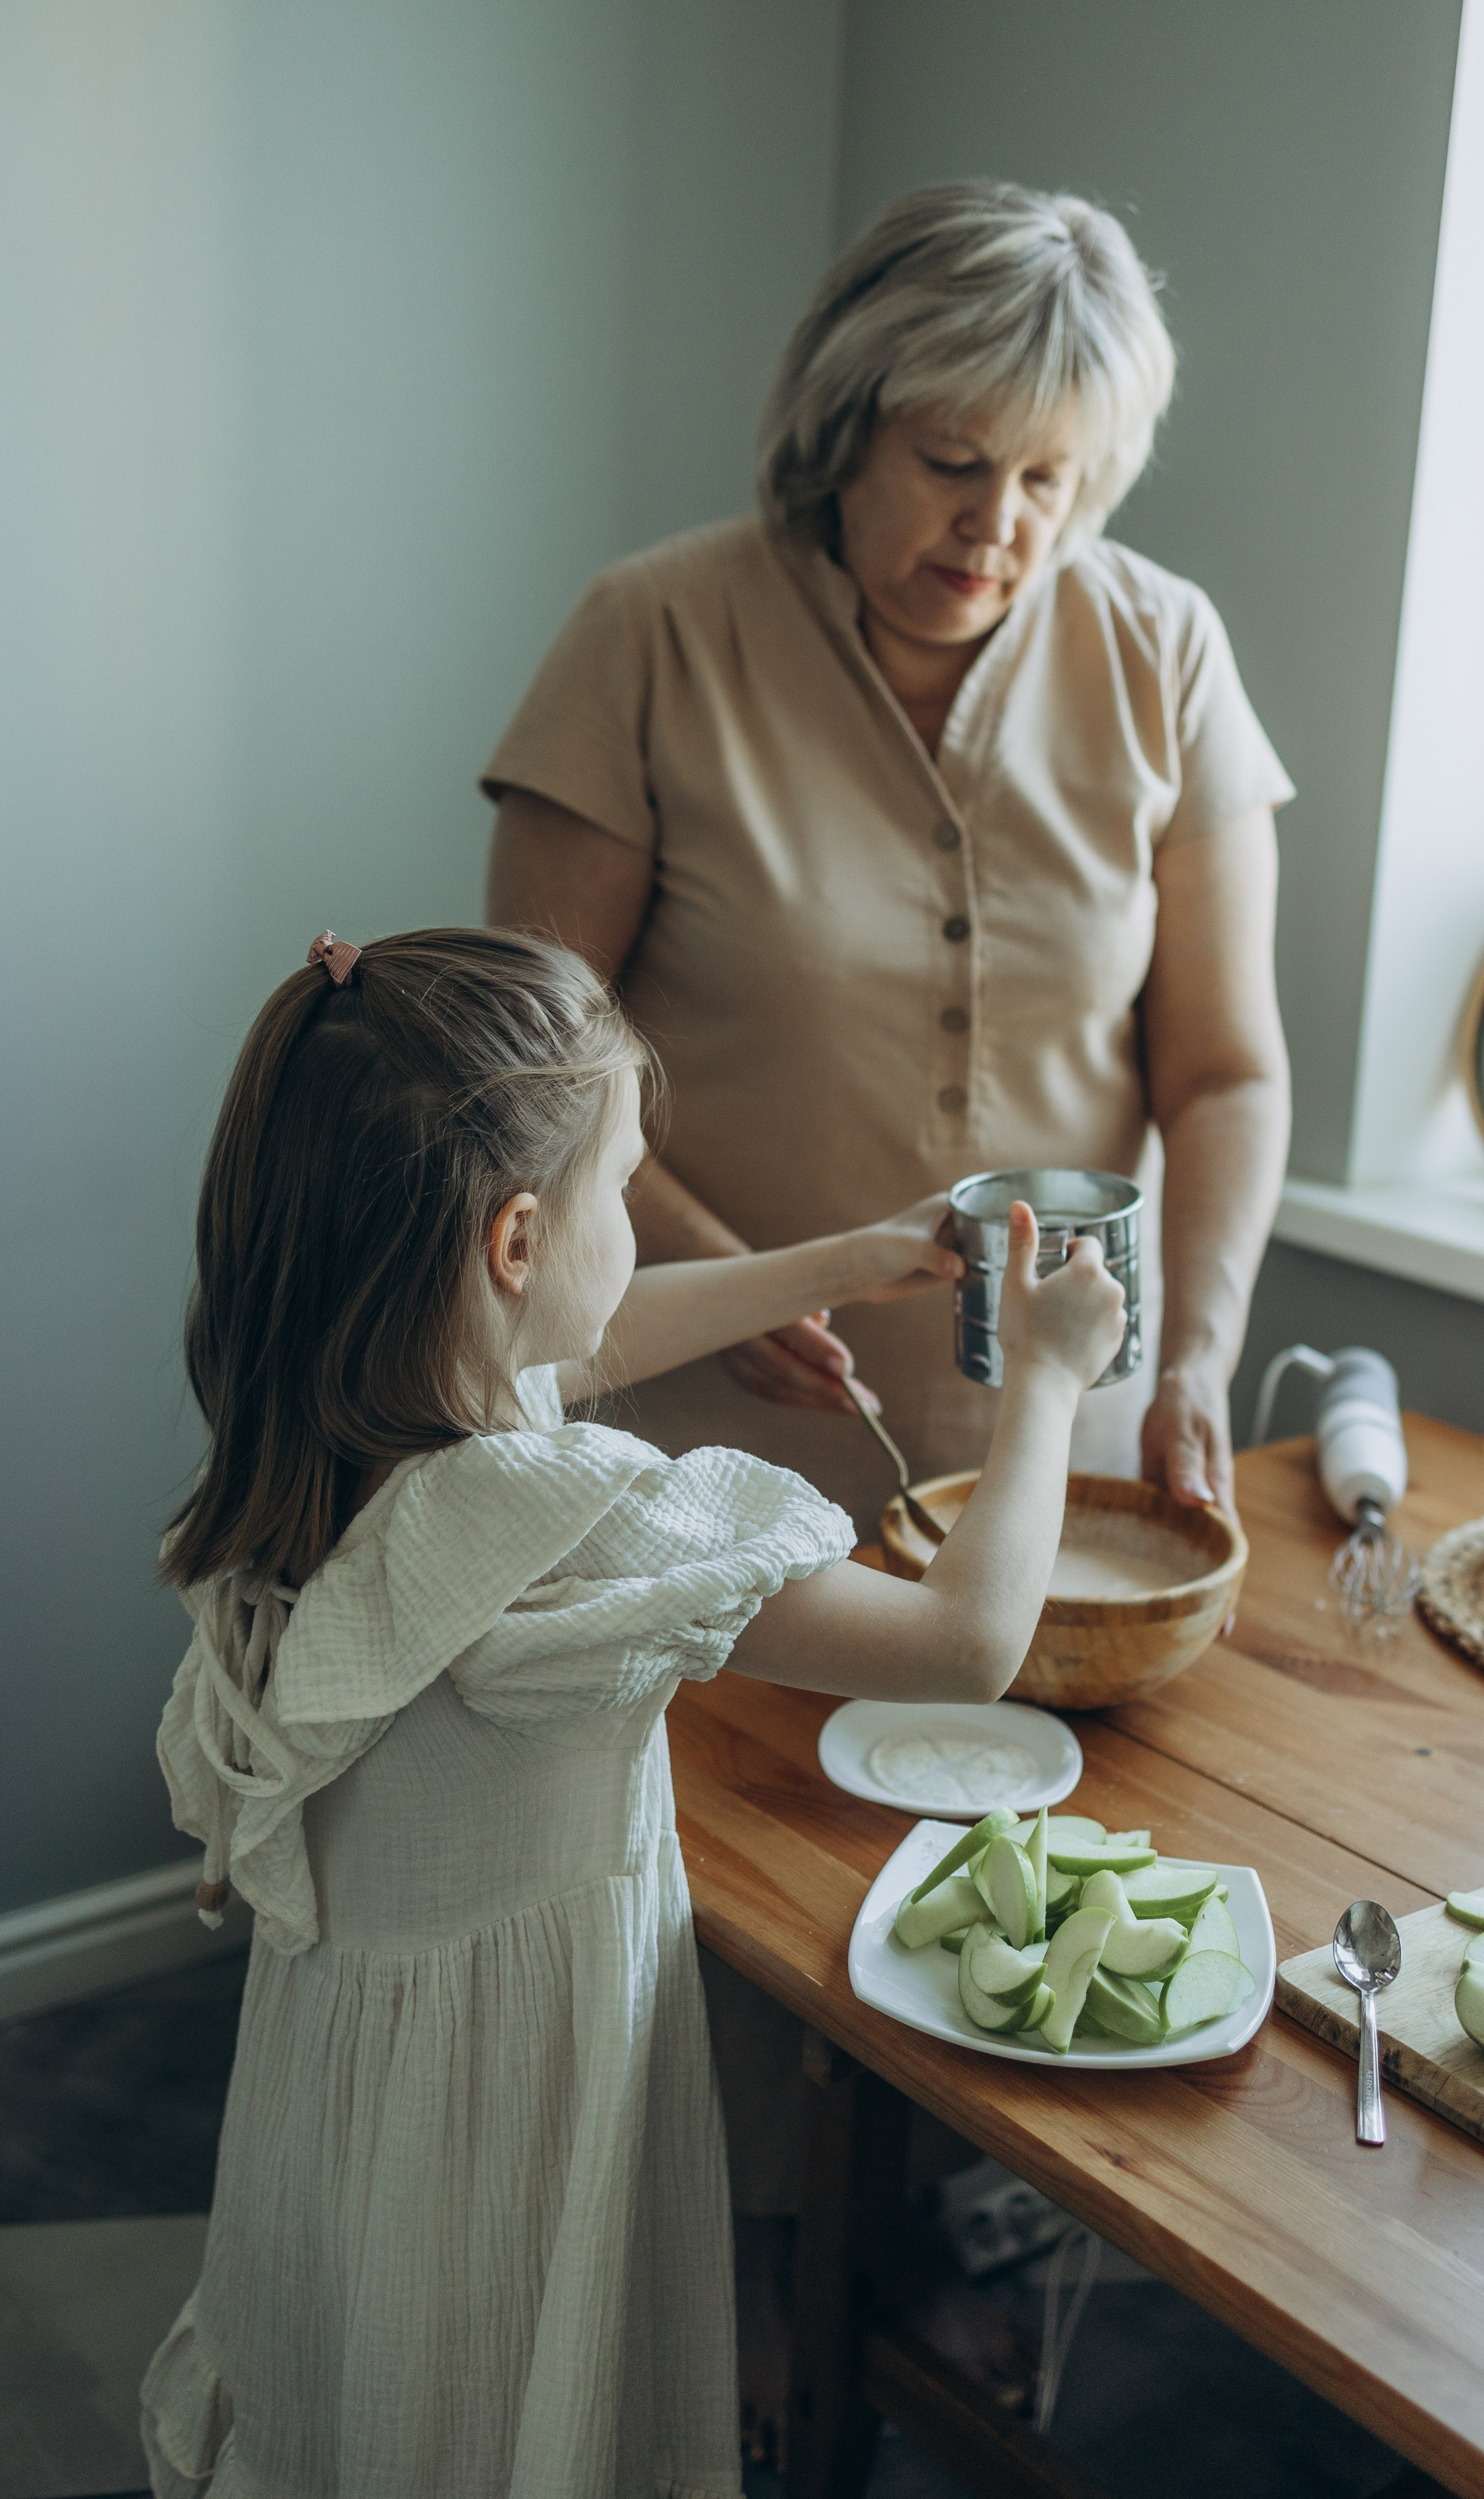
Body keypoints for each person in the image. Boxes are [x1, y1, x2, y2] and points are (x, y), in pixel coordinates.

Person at [481, 179, 1294, 2449]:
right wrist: (713, 1276)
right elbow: (545, 1054)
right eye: (957, 464)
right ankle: (727, 2267)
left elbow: (1222, 1068)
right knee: (718, 1863)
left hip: (1032, 1409)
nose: (1001, 527)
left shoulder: (1163, 652)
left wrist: (1199, 1356)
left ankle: (939, 2239)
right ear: (845, 422)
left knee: (982, 1818)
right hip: (697, 1359)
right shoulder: (651, 632)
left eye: (1054, 480)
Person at [139, 925, 1126, 2499]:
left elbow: (584, 1335)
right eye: (620, 1185)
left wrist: (847, 1255)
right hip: (516, 2098)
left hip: (360, 2076)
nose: (629, 1218)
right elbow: (962, 1641)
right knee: (502, 2399)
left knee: (377, 2378)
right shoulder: (564, 1520)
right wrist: (1053, 1385)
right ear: (516, 1242)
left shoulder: (347, 1424)